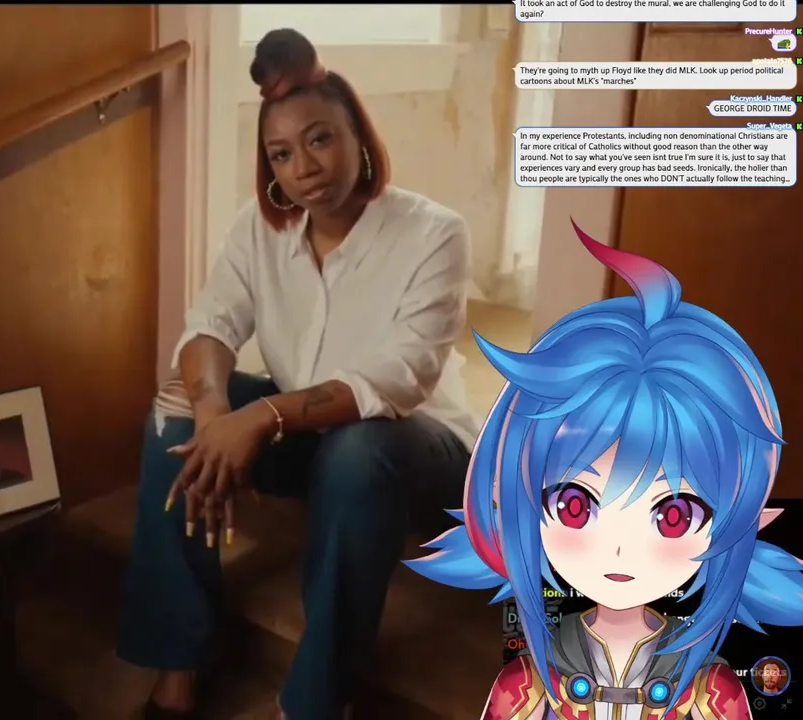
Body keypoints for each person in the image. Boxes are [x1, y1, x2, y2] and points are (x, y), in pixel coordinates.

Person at [116, 28, 478, 720]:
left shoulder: (434, 232)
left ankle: (315, 701)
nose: (304, 167)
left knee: (360, 448)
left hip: (416, 452)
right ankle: (177, 665)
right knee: (175, 412)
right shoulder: (261, 228)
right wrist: (215, 415)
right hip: (312, 440)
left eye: (320, 140)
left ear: (358, 136)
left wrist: (262, 416)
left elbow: (399, 379)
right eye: (281, 154)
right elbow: (209, 326)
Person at [406, 224, 803, 719]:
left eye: (673, 516)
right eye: (575, 506)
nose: (618, 550)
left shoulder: (713, 693)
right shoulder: (524, 687)